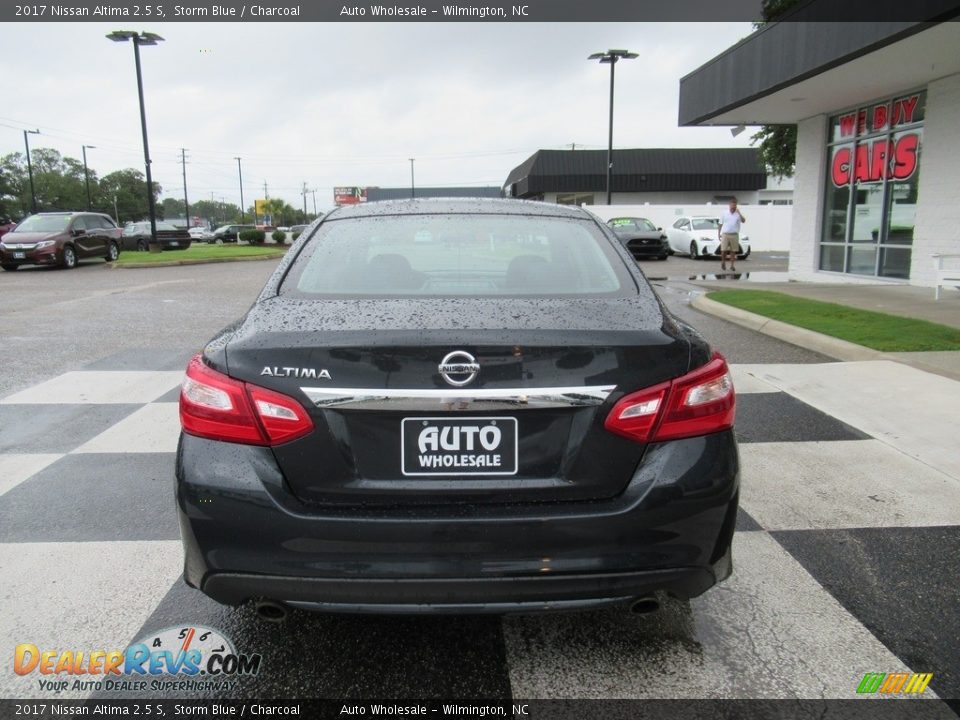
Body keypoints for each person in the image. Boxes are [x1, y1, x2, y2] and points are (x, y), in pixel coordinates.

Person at [718, 198, 745, 271]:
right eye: (732, 206)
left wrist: (739, 213)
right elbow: (720, 224)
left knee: (733, 251)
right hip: (725, 234)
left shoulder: (737, 214)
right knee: (723, 250)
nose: (733, 207)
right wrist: (718, 233)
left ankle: (732, 265)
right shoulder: (724, 213)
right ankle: (723, 262)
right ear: (729, 205)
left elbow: (743, 221)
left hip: (734, 234)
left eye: (735, 206)